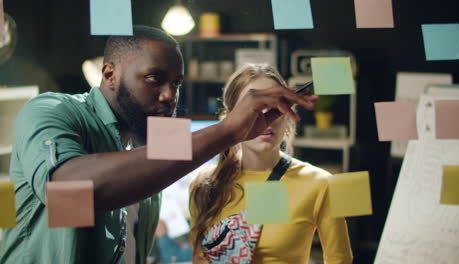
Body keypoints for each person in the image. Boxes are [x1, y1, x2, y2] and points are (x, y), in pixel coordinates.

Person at [0, 26, 317, 264]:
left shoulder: (146, 140)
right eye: (154, 79)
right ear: (109, 74)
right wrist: (227, 130)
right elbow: (70, 190)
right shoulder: (52, 110)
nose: (169, 96)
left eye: (176, 83)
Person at [189, 64, 353, 264]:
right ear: (231, 118)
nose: (265, 118)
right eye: (254, 107)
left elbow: (340, 260)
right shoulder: (204, 184)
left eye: (276, 106)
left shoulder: (321, 184)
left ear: (288, 116)